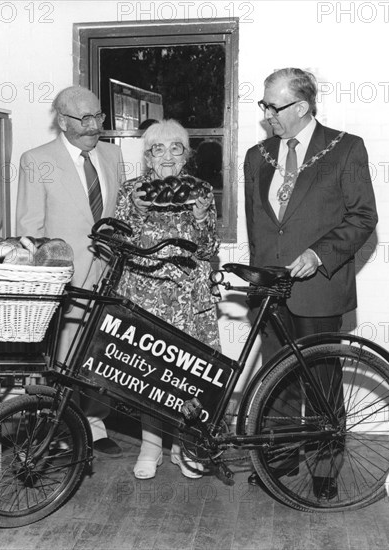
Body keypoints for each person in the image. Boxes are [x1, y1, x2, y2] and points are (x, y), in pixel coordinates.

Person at [243, 68, 378, 497]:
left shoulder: (345, 148)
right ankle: (279, 458)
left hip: (319, 288)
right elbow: (260, 226)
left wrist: (319, 254)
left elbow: (363, 217)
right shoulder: (256, 155)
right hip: (271, 291)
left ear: (301, 107)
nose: (267, 115)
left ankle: (325, 466)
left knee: (321, 381)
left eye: (273, 106)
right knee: (276, 379)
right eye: (264, 105)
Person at [16, 85, 125, 457]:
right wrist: (47, 275)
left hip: (108, 275)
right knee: (61, 358)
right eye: (85, 119)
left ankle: (95, 424)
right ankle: (56, 425)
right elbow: (30, 229)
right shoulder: (36, 159)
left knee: (100, 355)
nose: (95, 126)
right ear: (62, 121)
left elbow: (119, 216)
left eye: (99, 117)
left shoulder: (112, 155)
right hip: (64, 279)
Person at [115, 119, 220, 479]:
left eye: (176, 147)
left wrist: (202, 217)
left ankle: (183, 445)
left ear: (186, 154)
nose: (168, 156)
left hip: (189, 298)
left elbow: (209, 249)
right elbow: (119, 243)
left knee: (187, 374)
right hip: (146, 294)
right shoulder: (132, 191)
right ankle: (150, 444)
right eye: (158, 149)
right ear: (147, 156)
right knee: (148, 373)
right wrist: (138, 212)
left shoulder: (201, 190)